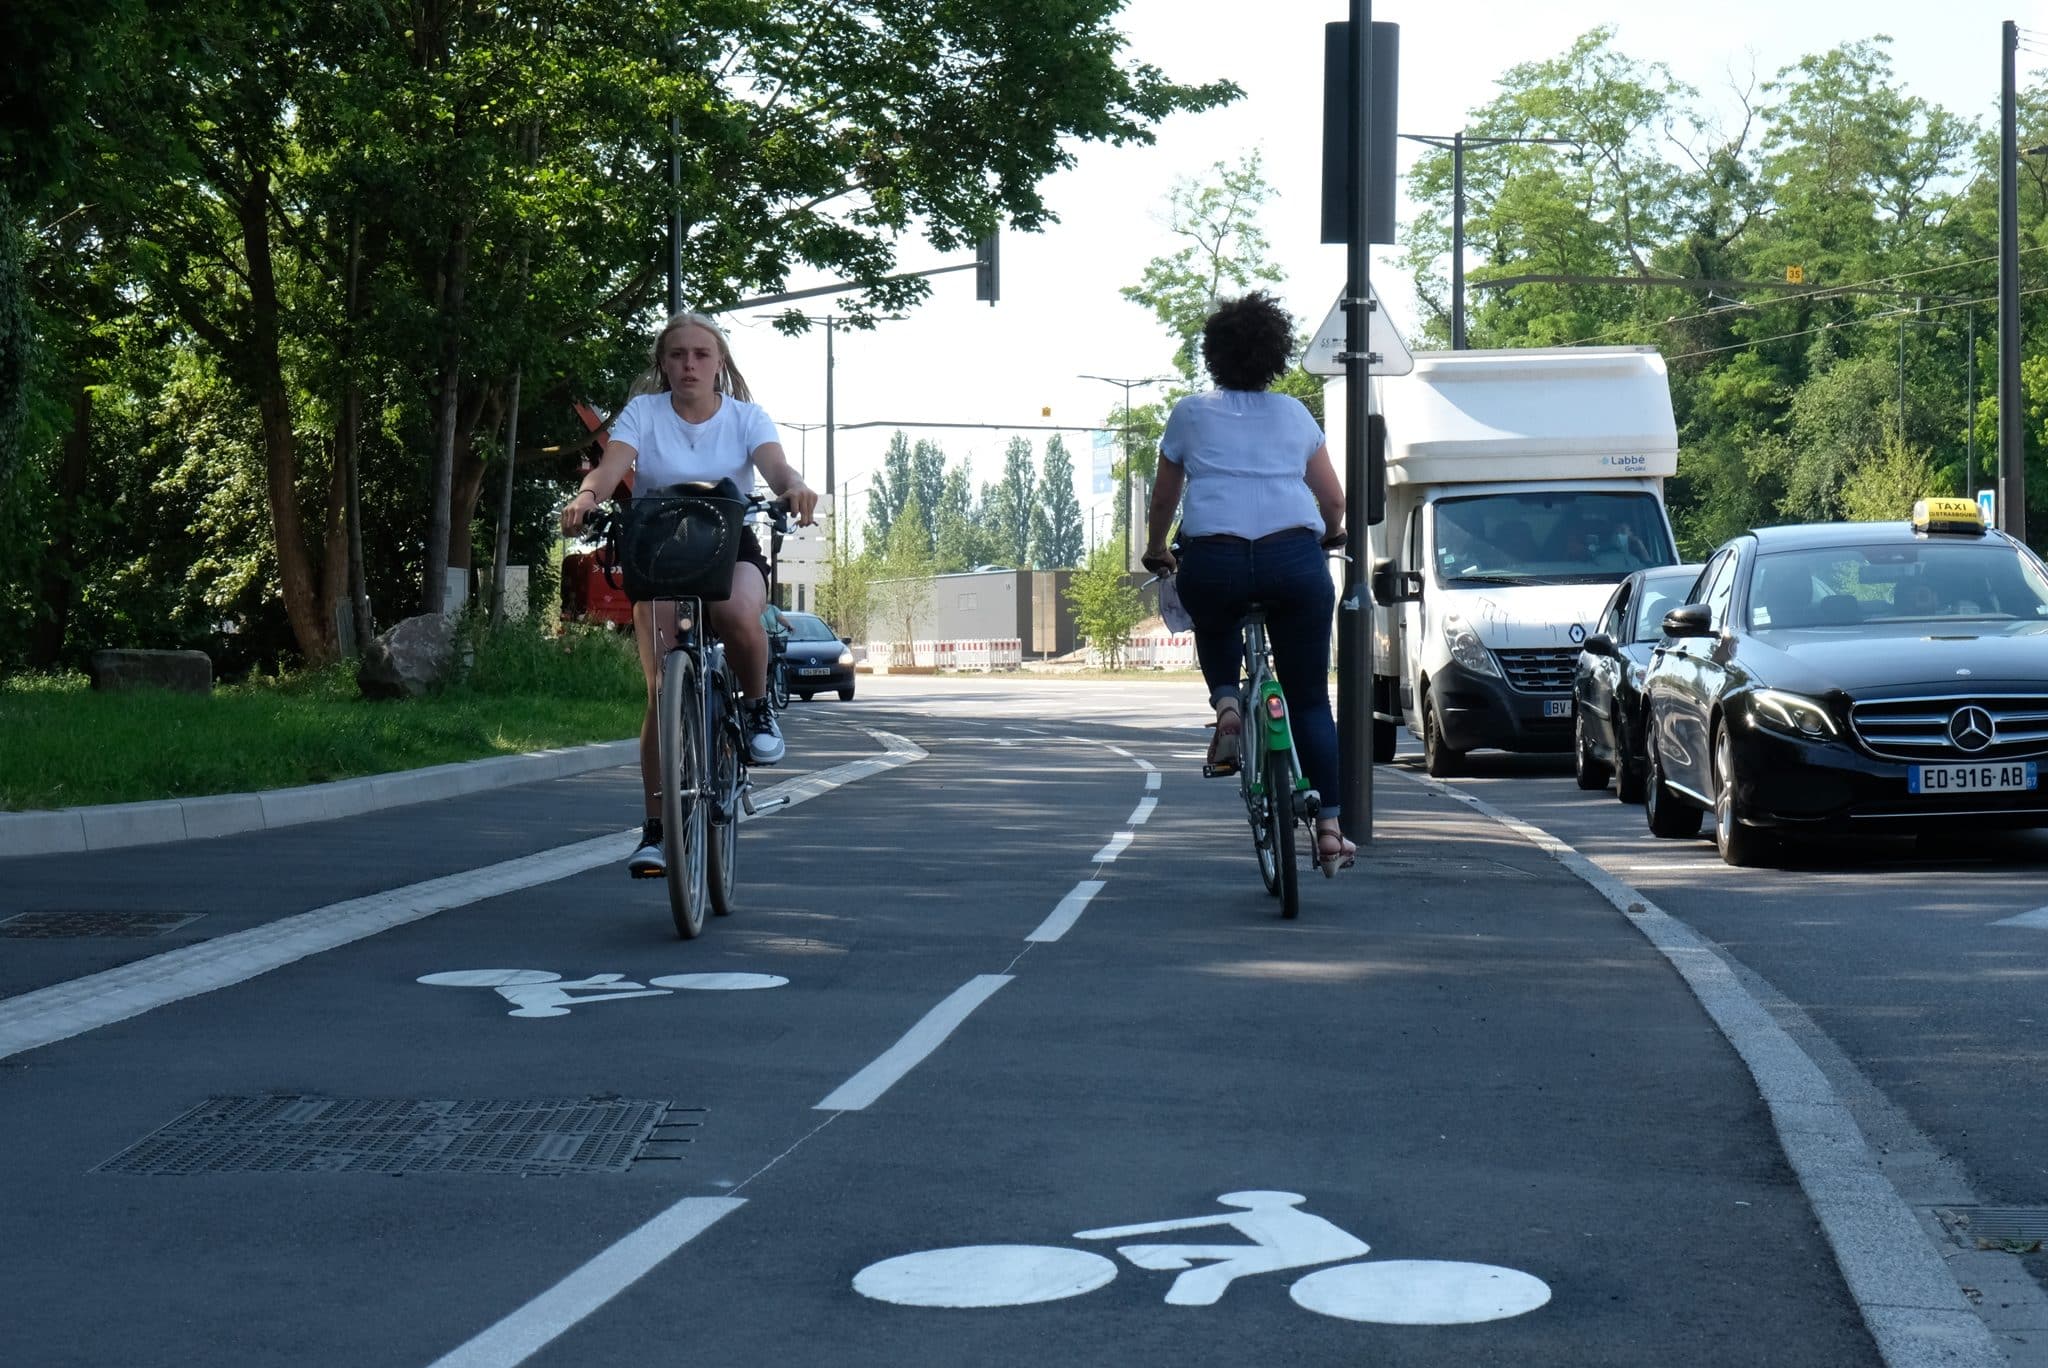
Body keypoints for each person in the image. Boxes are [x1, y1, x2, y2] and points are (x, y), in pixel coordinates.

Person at [562, 311, 818, 878]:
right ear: (663, 364)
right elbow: (610, 470)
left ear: (719, 363)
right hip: (660, 549)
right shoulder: (644, 415)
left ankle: (754, 711)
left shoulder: (746, 418)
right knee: (659, 692)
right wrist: (586, 499)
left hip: (730, 544)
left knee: (734, 610)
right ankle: (656, 830)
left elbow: (777, 470)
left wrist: (794, 487)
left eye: (701, 354)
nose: (689, 365)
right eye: (677, 355)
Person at [1141, 291, 1354, 872]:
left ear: (1213, 356)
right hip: (1294, 560)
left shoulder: (1189, 413)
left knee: (1214, 616)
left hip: (1216, 558)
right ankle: (1331, 827)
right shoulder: (1295, 414)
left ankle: (1228, 704)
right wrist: (1330, 533)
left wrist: (1158, 547)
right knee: (1310, 698)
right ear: (1274, 355)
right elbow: (1333, 500)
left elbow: (1165, 497)